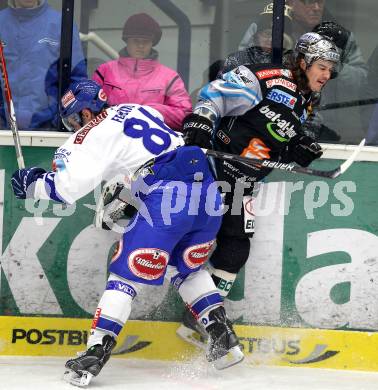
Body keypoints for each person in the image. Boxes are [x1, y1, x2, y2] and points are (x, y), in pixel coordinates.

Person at [10, 79, 244, 386]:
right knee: (186, 269)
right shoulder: (134, 109)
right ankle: (222, 335)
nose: (72, 127)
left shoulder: (88, 134)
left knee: (124, 277)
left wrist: (33, 184)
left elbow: (67, 189)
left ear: (85, 113)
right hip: (210, 193)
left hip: (166, 196)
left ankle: (95, 351)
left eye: (73, 119)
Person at [176, 33, 340, 345]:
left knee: (236, 249)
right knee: (177, 238)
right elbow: (214, 94)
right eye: (321, 66)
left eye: (330, 69)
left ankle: (198, 319)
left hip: (244, 184)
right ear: (303, 62)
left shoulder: (308, 100)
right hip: (212, 171)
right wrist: (200, 121)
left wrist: (296, 147)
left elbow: (274, 135)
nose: (326, 75)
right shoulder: (267, 77)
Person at [239, 1, 367, 143]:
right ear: (290, 2)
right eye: (308, 2)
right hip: (268, 124)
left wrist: (329, 64)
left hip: (326, 133)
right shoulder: (266, 25)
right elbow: (242, 69)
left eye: (320, 1)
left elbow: (361, 79)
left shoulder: (339, 35)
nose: (316, 7)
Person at [92, 12, 192, 131]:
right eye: (135, 40)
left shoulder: (170, 78)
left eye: (145, 41)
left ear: (152, 43)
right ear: (127, 41)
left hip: (151, 144)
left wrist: (150, 111)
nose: (140, 45)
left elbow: (185, 115)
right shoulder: (104, 71)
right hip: (108, 139)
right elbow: (88, 107)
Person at [0, 0, 87, 130]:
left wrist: (60, 120)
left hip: (48, 132)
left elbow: (77, 79)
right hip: (3, 130)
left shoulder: (61, 24)